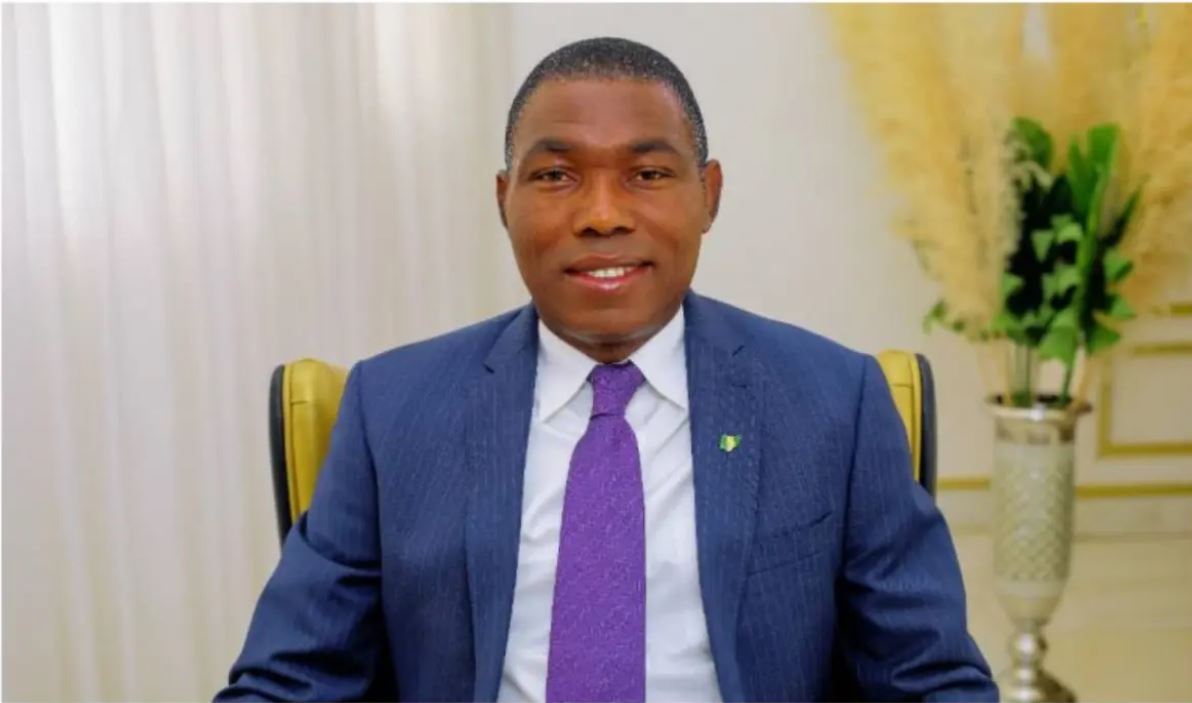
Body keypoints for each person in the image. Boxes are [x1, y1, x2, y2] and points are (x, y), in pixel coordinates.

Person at [216, 36, 996, 702]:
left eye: (647, 174)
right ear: (504, 200)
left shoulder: (833, 404)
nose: (601, 214)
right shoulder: (392, 411)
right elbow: (290, 679)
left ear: (709, 195)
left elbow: (930, 679)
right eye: (556, 176)